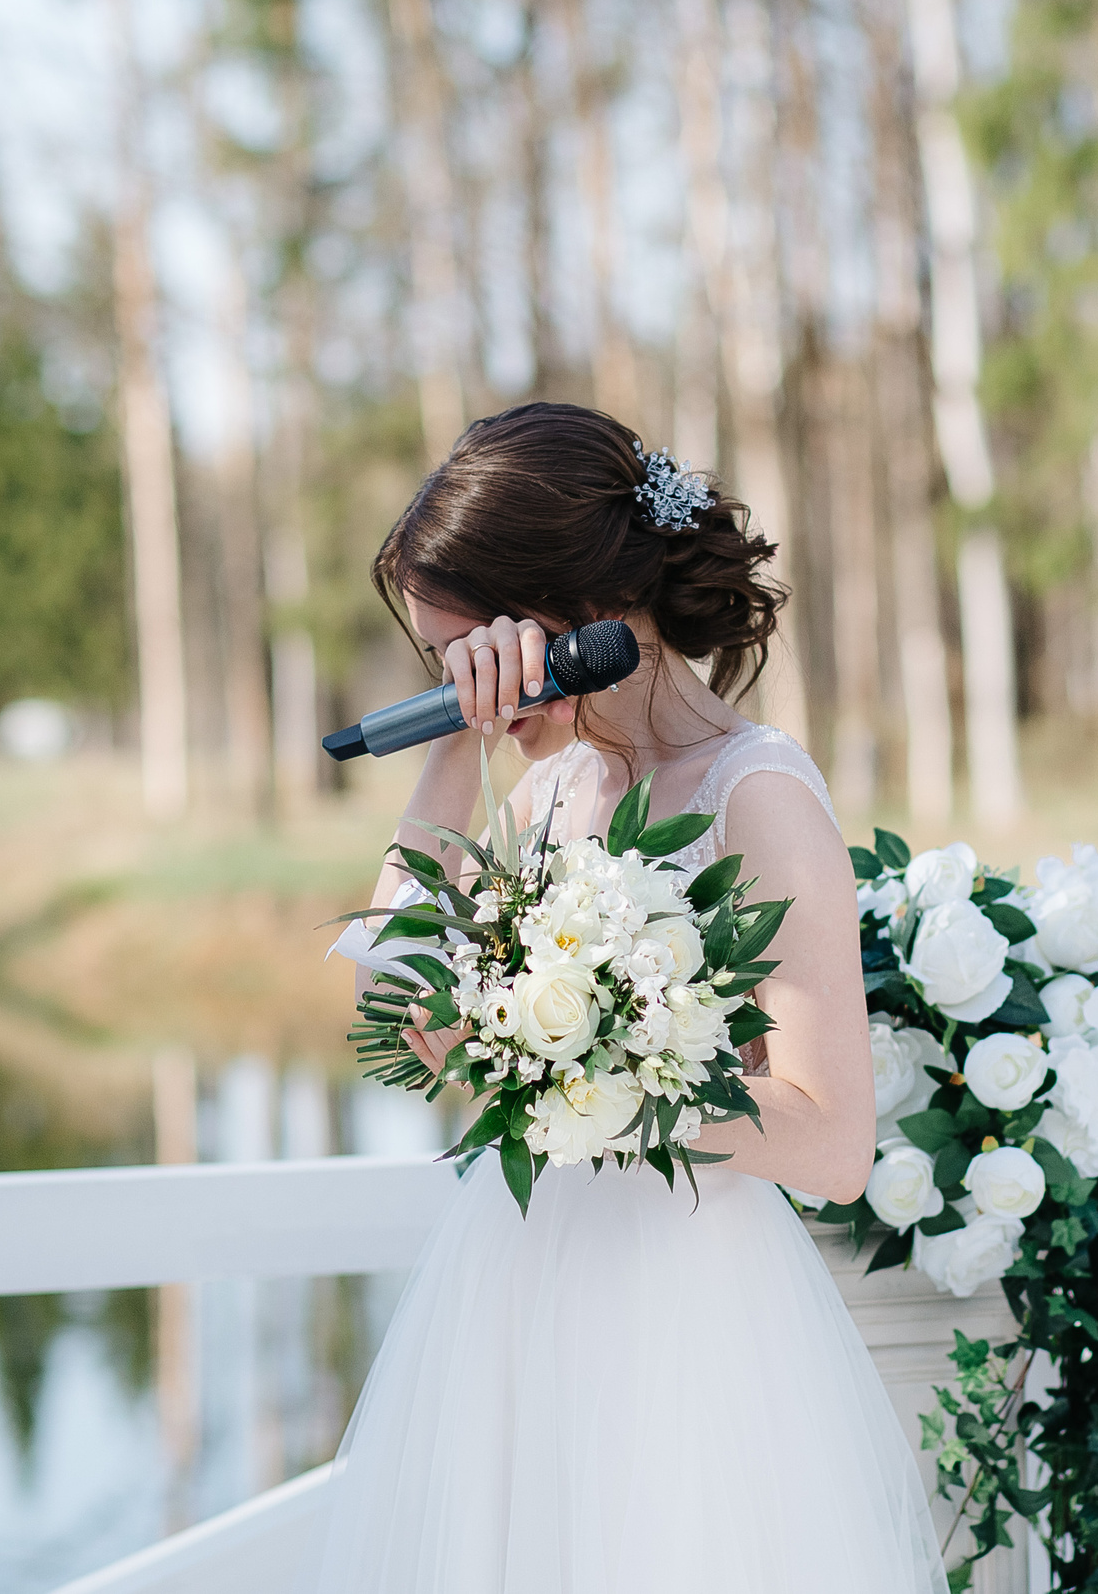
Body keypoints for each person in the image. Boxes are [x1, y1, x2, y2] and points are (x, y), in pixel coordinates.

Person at [308, 403, 946, 1593]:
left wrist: (593, 1074)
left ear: (583, 617)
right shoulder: (554, 788)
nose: (462, 679)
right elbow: (397, 979)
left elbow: (831, 1138)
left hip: (682, 1320)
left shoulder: (756, 795)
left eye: (476, 649)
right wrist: (458, 743)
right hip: (517, 1294)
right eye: (444, 664)